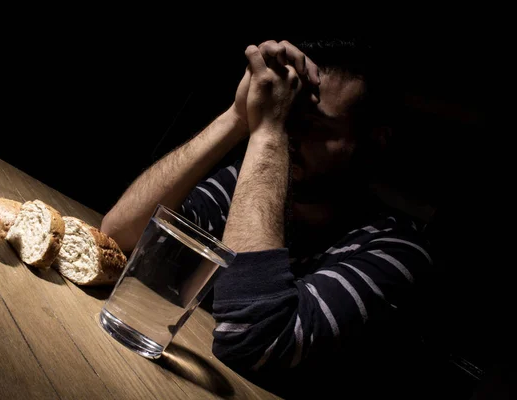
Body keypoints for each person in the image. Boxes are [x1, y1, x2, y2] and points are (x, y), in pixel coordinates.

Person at [101, 39, 434, 398]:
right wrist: (238, 115)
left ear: (374, 142)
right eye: (290, 116)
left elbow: (251, 342)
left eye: (317, 126)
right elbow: (121, 237)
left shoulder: (397, 251)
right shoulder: (248, 184)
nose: (291, 135)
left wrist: (268, 130)